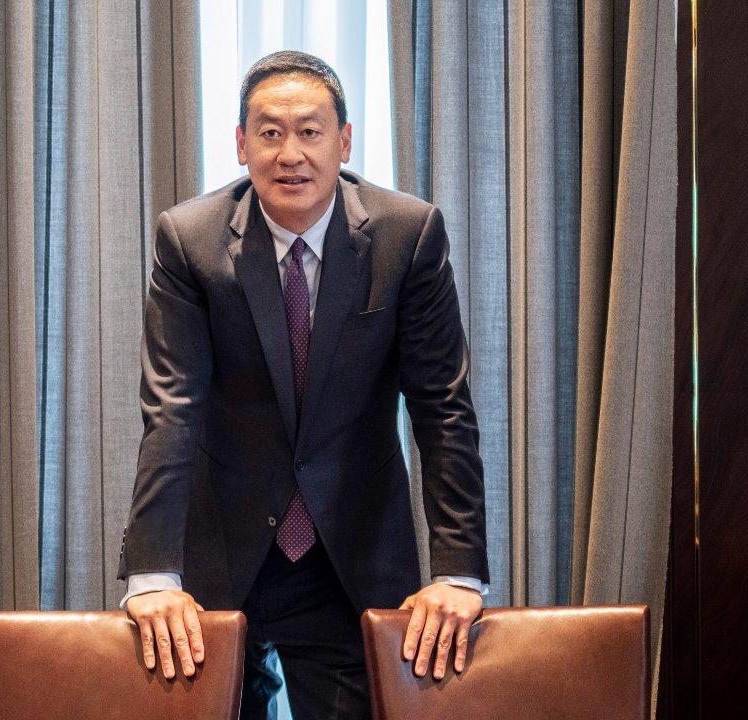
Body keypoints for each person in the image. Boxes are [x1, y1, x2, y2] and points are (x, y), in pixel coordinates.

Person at [118, 51, 489, 720]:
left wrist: (458, 572)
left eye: (310, 131)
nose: (290, 153)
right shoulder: (190, 240)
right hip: (221, 548)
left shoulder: (407, 236)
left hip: (351, 552)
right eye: (269, 132)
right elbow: (171, 409)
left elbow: (443, 409)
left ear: (343, 141)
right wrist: (153, 574)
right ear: (241, 145)